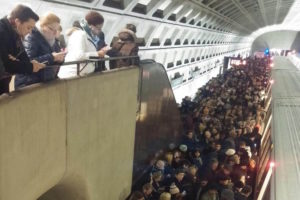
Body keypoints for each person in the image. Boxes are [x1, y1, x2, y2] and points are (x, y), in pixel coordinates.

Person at [0, 4, 45, 94]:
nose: (30, 31)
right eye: (29, 27)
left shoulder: (15, 32)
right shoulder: (2, 31)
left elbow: (21, 55)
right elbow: (6, 65)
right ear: (17, 22)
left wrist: (29, 64)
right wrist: (29, 66)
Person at [14, 13, 65, 89]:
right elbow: (27, 62)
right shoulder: (31, 37)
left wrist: (60, 60)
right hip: (29, 83)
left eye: (56, 30)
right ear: (42, 26)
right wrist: (52, 57)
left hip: (45, 82)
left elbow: (54, 61)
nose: (55, 33)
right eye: (52, 29)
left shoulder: (53, 41)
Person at [57, 11, 110, 79]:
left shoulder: (88, 36)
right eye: (98, 28)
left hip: (79, 75)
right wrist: (97, 54)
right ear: (91, 26)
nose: (100, 31)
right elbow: (79, 55)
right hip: (71, 75)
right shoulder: (80, 35)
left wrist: (100, 54)